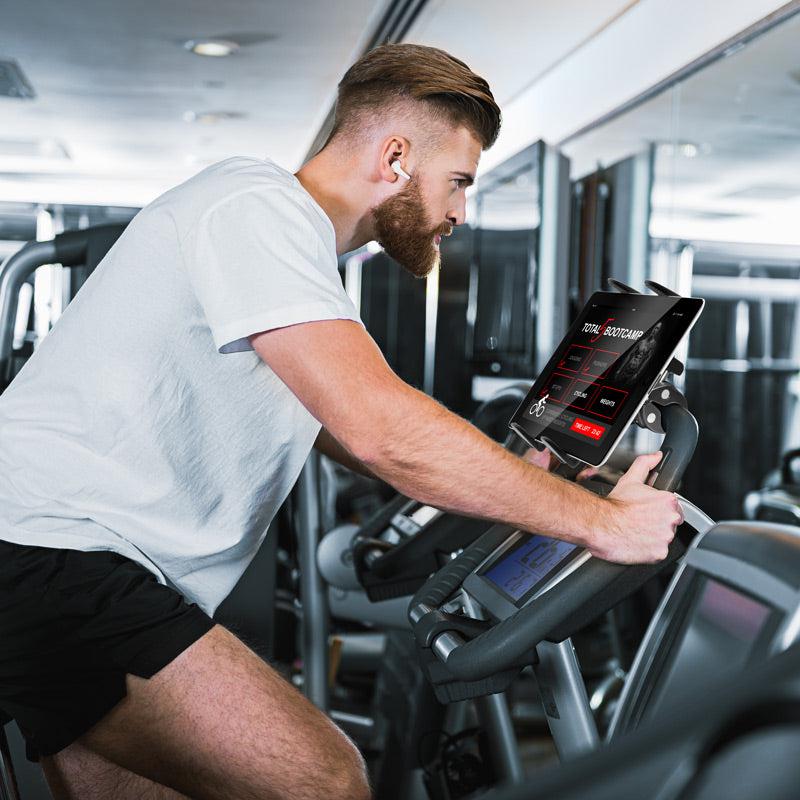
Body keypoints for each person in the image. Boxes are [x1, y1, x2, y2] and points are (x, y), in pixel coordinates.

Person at [0, 43, 682, 800]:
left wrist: (519, 476)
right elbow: (378, 427)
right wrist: (604, 524)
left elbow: (320, 416)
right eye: (457, 182)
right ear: (394, 157)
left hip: (62, 555)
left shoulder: (286, 245)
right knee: (323, 781)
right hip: (55, 555)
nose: (459, 212)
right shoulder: (257, 208)